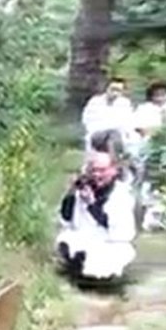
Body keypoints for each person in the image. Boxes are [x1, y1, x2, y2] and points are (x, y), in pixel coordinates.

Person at [56, 151, 136, 282]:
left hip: (112, 245)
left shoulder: (122, 196)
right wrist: (71, 193)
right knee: (64, 240)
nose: (97, 175)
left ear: (113, 171)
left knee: (99, 269)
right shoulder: (84, 190)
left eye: (102, 170)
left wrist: (92, 205)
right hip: (85, 240)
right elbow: (66, 220)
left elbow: (119, 233)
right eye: (94, 170)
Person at [81, 76, 134, 152]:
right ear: (107, 88)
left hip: (117, 136)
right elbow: (87, 121)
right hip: (97, 134)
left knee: (117, 138)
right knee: (110, 136)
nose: (115, 93)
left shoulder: (125, 103)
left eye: (118, 91)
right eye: (113, 89)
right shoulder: (95, 101)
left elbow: (128, 124)